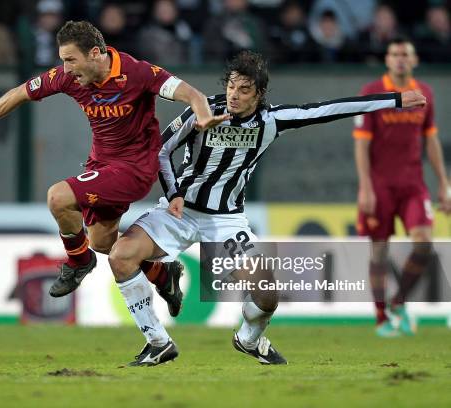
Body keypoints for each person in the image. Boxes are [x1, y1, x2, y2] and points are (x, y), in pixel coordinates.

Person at [107, 50, 426, 366]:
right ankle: (157, 342)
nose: (234, 94)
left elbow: (329, 109)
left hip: (226, 221)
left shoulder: (272, 121)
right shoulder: (203, 110)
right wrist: (174, 191)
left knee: (267, 297)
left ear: (258, 94)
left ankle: (249, 339)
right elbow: (160, 152)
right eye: (231, 86)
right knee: (121, 256)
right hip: (179, 212)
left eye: (244, 90)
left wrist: (395, 100)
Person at [0, 21, 228, 316]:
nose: (66, 68)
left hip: (135, 168)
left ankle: (78, 261)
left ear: (95, 53)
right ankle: (163, 275)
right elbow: (20, 92)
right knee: (102, 242)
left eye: (71, 59)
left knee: (58, 197)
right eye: (63, 60)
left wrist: (203, 116)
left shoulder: (138, 72)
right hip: (102, 165)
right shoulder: (68, 77)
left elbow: (192, 94)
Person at [353, 37, 451, 337]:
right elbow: (361, 144)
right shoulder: (371, 93)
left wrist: (444, 184)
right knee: (379, 253)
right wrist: (366, 187)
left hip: (413, 184)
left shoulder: (425, 93)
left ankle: (399, 301)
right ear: (386, 59)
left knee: (423, 243)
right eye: (394, 54)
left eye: (405, 54)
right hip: (380, 185)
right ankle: (382, 318)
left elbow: (431, 140)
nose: (399, 59)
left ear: (415, 60)